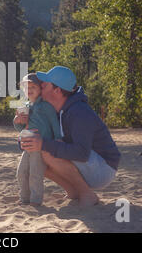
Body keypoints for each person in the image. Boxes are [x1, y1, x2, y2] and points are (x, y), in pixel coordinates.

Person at [20, 66, 121, 207]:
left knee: (47, 151)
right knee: (39, 154)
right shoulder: (53, 110)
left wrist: (43, 144)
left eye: (45, 84)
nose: (40, 85)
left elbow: (81, 153)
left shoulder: (79, 111)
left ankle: (86, 194)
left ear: (57, 90)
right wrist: (25, 136)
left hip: (103, 169)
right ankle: (72, 192)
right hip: (89, 163)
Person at [13, 73, 61, 206]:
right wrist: (17, 121)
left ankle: (35, 200)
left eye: (33, 86)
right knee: (21, 173)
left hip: (41, 147)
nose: (29, 90)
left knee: (35, 174)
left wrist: (58, 139)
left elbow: (54, 123)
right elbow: (20, 127)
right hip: (27, 146)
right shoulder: (25, 106)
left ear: (40, 88)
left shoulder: (46, 106)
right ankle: (24, 198)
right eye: (26, 87)